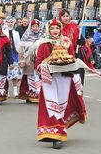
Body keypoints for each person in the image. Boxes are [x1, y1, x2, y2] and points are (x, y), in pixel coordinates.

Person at [35, 18, 86, 149]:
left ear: (60, 29)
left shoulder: (66, 42)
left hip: (64, 77)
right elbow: (38, 62)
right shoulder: (43, 44)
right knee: (53, 105)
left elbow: (72, 57)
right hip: (49, 79)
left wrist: (74, 60)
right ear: (48, 30)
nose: (55, 31)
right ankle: (55, 134)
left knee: (63, 104)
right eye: (52, 28)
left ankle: (61, 128)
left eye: (57, 28)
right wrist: (42, 66)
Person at [18, 19, 44, 103]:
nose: (35, 28)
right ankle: (31, 94)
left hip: (39, 60)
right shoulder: (26, 36)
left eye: (37, 26)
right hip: (28, 60)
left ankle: (39, 94)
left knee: (39, 77)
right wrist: (21, 60)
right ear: (31, 27)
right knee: (30, 76)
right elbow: (21, 49)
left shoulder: (43, 37)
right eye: (33, 26)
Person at [3, 16, 22, 97]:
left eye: (11, 22)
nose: (10, 24)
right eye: (8, 22)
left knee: (15, 73)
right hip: (5, 54)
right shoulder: (3, 32)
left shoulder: (16, 33)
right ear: (6, 23)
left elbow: (18, 44)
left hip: (14, 53)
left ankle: (15, 91)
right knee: (6, 72)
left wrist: (19, 53)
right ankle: (6, 91)